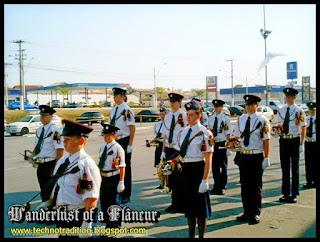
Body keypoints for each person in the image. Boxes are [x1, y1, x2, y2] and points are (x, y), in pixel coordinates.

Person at [36, 119, 101, 238]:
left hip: (78, 217)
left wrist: (87, 223)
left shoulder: (86, 165)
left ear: (81, 140)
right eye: (63, 139)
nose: (64, 143)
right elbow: (58, 185)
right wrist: (49, 203)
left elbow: (92, 198)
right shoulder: (63, 161)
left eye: (68, 139)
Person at [177, 100, 213, 238]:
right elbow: (182, 153)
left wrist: (205, 180)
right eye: (187, 114)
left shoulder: (205, 133)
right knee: (190, 207)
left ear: (199, 115)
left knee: (201, 208)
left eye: (192, 114)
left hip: (198, 169)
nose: (189, 117)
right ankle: (191, 235)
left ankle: (201, 236)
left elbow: (208, 158)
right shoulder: (183, 132)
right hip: (186, 170)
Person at [233, 94, 270, 224]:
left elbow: (266, 140)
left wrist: (266, 157)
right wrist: (232, 144)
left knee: (255, 185)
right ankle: (246, 211)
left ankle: (255, 212)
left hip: (256, 155)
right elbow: (236, 136)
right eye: (246, 105)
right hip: (244, 155)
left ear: (256, 106)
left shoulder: (262, 120)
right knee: (245, 185)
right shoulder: (241, 119)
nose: (248, 107)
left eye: (250, 105)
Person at [273, 87, 307, 203]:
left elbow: (303, 127)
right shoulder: (281, 110)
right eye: (286, 96)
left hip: (294, 140)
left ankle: (294, 193)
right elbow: (278, 125)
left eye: (290, 96)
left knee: (295, 168)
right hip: (284, 140)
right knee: (285, 168)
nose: (288, 98)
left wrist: (302, 143)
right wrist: (277, 132)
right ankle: (285, 193)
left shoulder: (299, 111)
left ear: (294, 98)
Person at [108, 87, 135, 204]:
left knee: (125, 167)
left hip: (124, 140)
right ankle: (116, 191)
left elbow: (132, 128)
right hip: (114, 140)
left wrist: (130, 144)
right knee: (114, 166)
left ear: (123, 97)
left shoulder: (127, 110)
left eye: (118, 96)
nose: (115, 98)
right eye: (114, 96)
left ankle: (126, 194)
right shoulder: (113, 110)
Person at [161, 92, 187, 213]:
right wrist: (163, 151)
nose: (171, 104)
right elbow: (165, 134)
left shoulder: (184, 115)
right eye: (170, 102)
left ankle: (179, 204)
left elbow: (186, 133)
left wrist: (183, 151)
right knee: (170, 176)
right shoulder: (168, 116)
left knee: (178, 178)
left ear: (179, 103)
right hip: (169, 148)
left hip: (178, 149)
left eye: (174, 102)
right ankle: (174, 203)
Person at [98, 123, 125, 233]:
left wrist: (121, 181)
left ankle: (115, 226)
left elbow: (122, 166)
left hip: (113, 177)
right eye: (104, 135)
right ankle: (108, 225)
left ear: (114, 136)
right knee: (104, 202)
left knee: (113, 203)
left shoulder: (118, 148)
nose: (106, 138)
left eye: (108, 135)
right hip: (104, 177)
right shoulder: (103, 147)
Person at [33, 105, 64, 202]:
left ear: (51, 117)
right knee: (43, 192)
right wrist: (31, 155)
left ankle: (53, 214)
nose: (43, 118)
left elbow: (60, 150)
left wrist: (56, 167)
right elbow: (38, 146)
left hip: (50, 164)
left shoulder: (55, 130)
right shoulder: (39, 130)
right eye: (41, 115)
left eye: (45, 115)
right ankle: (46, 213)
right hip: (41, 165)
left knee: (51, 192)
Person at [208, 99, 232, 195]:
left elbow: (228, 132)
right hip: (214, 143)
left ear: (222, 107)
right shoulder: (211, 118)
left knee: (223, 166)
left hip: (222, 143)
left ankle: (223, 186)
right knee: (215, 167)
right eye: (215, 107)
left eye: (218, 107)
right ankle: (216, 185)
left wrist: (228, 145)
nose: (216, 108)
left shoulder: (225, 118)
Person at [153, 107, 167, 188]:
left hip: (165, 143)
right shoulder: (157, 124)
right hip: (159, 143)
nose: (162, 116)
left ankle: (166, 183)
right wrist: (151, 142)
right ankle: (161, 182)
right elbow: (156, 135)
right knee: (159, 164)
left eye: (163, 114)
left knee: (165, 164)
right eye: (161, 114)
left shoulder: (168, 124)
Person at [303, 101, 316, 188]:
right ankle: (309, 181)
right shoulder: (306, 119)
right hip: (308, 142)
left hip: (316, 142)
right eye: (310, 110)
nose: (311, 111)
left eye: (313, 110)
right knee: (308, 162)